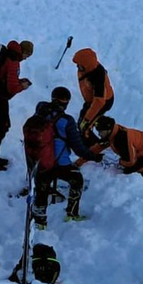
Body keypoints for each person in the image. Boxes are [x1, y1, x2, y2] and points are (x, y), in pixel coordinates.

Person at [36, 87, 102, 225]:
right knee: (77, 180)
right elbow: (78, 148)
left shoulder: (40, 111)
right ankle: (72, 213)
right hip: (60, 164)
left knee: (42, 188)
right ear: (66, 102)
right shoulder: (67, 121)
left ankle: (39, 221)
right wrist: (94, 156)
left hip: (41, 162)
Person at [0, 40, 34, 172]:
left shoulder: (9, 55)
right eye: (27, 55)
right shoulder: (13, 61)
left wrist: (19, 81)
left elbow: (8, 80)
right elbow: (11, 88)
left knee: (1, 127)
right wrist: (22, 86)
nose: (26, 58)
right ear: (24, 52)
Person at [92, 116, 143, 188]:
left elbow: (130, 162)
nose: (99, 134)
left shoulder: (121, 139)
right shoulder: (115, 131)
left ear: (108, 129)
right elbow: (99, 146)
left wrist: (120, 162)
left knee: (132, 170)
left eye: (100, 131)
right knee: (138, 169)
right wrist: (87, 156)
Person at [73, 48, 114, 138]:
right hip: (92, 101)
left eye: (80, 66)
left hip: (103, 103)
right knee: (82, 121)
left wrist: (87, 120)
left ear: (87, 66)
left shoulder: (98, 77)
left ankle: (90, 142)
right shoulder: (88, 68)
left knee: (85, 126)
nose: (78, 67)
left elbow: (99, 102)